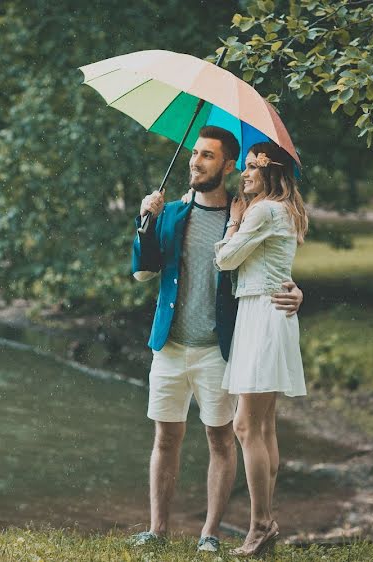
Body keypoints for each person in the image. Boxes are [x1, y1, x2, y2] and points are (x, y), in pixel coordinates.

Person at [129, 126, 304, 553]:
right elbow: (143, 271)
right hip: (168, 345)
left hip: (221, 348)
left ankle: (210, 534)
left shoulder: (244, 211)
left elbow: (265, 260)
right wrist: (144, 222)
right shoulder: (170, 211)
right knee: (165, 438)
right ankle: (157, 530)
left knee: (222, 440)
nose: (195, 162)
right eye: (194, 154)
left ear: (228, 165)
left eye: (208, 156)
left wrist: (296, 290)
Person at [213, 141, 309, 557]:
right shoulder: (279, 210)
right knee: (263, 427)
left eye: (254, 167)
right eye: (246, 166)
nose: (246, 173)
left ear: (272, 173)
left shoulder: (265, 210)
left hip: (262, 314)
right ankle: (264, 524)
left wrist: (233, 223)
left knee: (245, 427)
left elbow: (226, 260)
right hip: (268, 312)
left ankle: (260, 524)